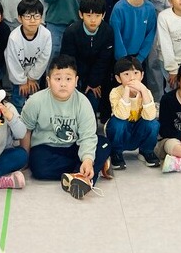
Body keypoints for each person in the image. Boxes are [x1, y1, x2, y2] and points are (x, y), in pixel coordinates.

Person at [20, 55, 112, 200]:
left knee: (104, 144)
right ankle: (90, 170)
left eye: (68, 79)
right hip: (46, 148)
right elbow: (26, 130)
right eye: (58, 79)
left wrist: (87, 160)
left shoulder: (83, 102)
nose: (63, 84)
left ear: (76, 81)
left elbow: (87, 136)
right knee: (38, 168)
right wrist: (25, 159)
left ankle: (83, 176)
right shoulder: (36, 101)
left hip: (74, 147)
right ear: (48, 81)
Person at [61, 0, 115, 117]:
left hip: (98, 76)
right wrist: (78, 81)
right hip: (76, 75)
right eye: (89, 15)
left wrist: (93, 83)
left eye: (97, 16)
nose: (93, 20)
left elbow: (104, 60)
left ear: (103, 15)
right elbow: (68, 60)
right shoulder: (71, 32)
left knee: (94, 98)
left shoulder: (107, 31)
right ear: (81, 14)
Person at [105, 56, 160, 169]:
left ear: (142, 75)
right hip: (121, 133)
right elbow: (122, 115)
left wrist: (143, 91)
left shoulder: (146, 92)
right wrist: (127, 91)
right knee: (118, 123)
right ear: (118, 78)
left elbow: (150, 116)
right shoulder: (115, 92)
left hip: (138, 131)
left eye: (136, 73)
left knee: (153, 123)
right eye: (126, 74)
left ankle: (146, 151)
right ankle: (116, 152)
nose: (132, 78)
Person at [109, 0, 158, 84]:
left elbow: (150, 35)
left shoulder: (150, 8)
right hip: (120, 59)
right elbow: (116, 35)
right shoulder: (119, 8)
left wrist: (140, 58)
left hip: (139, 59)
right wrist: (123, 60)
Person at [5, 0, 52, 112]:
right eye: (27, 16)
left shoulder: (46, 35)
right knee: (19, 102)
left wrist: (32, 78)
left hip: (36, 76)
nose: (32, 20)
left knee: (36, 103)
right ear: (20, 18)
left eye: (36, 16)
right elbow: (12, 62)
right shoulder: (14, 37)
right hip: (18, 78)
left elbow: (43, 59)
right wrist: (21, 81)